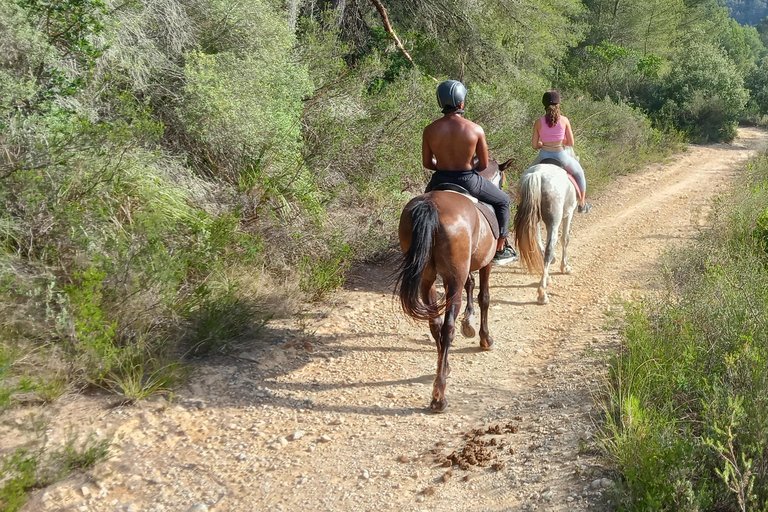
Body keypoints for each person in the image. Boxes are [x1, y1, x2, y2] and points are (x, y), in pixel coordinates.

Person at [422, 80, 517, 265]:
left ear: (440, 102)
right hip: (467, 180)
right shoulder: (475, 129)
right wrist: (465, 164)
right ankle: (501, 248)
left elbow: (427, 163)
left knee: (422, 208)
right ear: (461, 103)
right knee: (503, 201)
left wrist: (442, 164)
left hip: (438, 179)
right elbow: (482, 164)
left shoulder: (430, 130)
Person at [531, 90, 592, 213]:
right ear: (559, 104)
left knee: (527, 175)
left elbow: (534, 145)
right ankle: (582, 203)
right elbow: (571, 143)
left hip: (543, 156)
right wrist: (560, 141)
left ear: (544, 105)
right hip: (561, 156)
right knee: (580, 173)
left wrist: (543, 144)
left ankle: (522, 203)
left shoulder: (538, 122)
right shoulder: (564, 120)